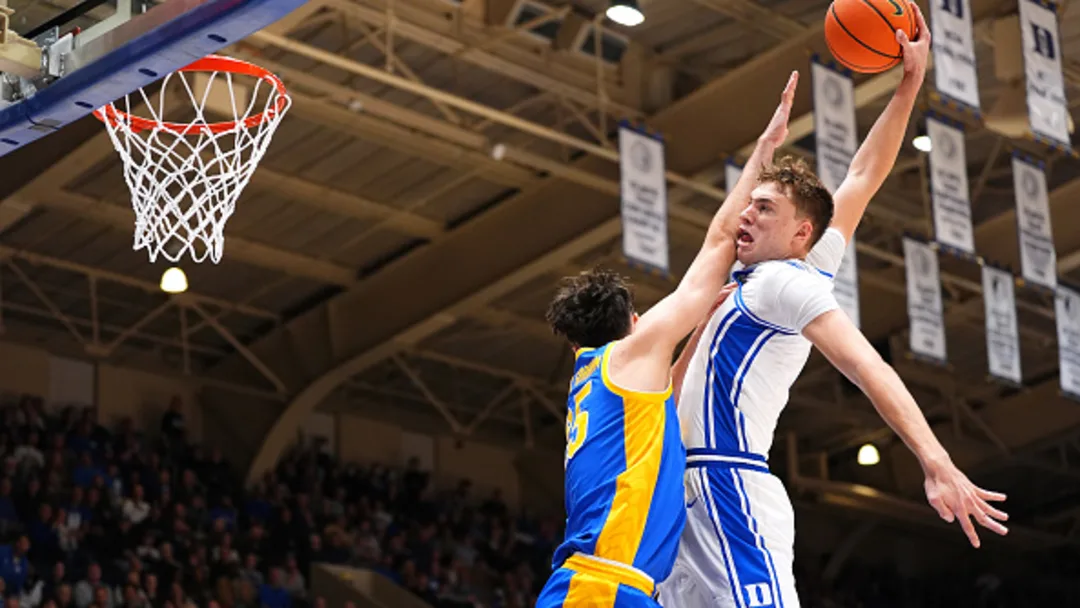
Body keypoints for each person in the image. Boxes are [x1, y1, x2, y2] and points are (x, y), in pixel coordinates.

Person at [658, 7, 1009, 608]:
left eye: (764, 208)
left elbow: (869, 367)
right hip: (679, 498)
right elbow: (862, 176)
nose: (746, 212)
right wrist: (907, 86)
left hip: (727, 486)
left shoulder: (786, 284)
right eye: (750, 204)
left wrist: (936, 460)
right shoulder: (756, 279)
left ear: (802, 234)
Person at [534, 74, 801, 608]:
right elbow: (721, 241)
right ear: (634, 322)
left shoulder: (607, 386)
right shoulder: (629, 354)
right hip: (601, 588)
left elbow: (669, 397)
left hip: (613, 588)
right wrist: (764, 154)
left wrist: (702, 325)